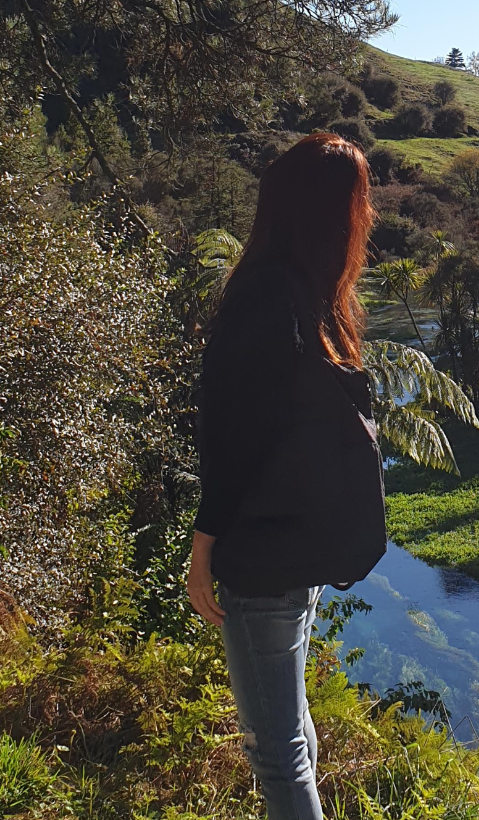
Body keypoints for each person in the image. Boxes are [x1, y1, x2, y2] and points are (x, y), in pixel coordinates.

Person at [187, 133, 387, 820]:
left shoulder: (266, 297)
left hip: (261, 556)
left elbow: (237, 437)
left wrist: (204, 542)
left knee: (278, 754)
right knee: (292, 735)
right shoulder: (313, 301)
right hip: (296, 551)